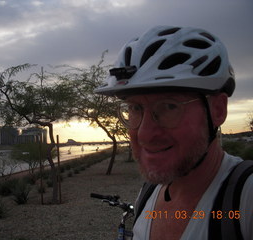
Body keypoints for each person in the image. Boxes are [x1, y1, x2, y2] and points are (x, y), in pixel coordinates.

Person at [95, 26, 253, 239]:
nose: (144, 135)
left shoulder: (245, 199)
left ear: (217, 110)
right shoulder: (149, 192)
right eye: (134, 108)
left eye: (169, 107)